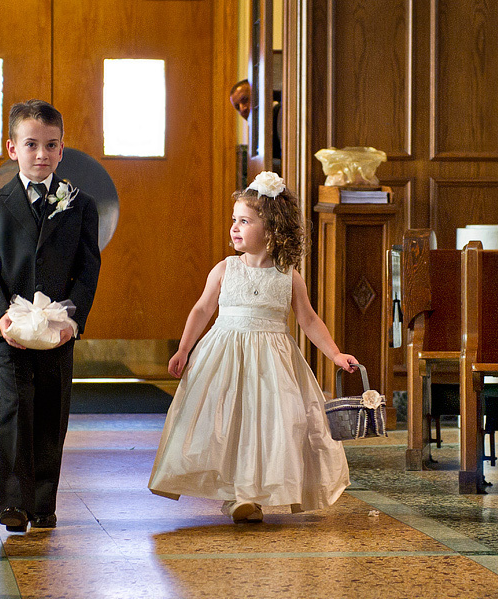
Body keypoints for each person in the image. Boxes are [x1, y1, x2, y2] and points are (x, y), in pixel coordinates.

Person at [148, 171, 357, 523]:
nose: (235, 228)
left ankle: (252, 495)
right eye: (234, 220)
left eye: (244, 221)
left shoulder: (288, 275)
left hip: (272, 364)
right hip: (225, 357)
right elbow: (202, 309)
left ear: (272, 229)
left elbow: (307, 320)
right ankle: (235, 495)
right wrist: (184, 349)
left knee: (272, 426)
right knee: (228, 423)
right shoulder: (225, 270)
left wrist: (334, 353)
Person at [0, 99, 101, 532]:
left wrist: (72, 320)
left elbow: (88, 268)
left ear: (62, 150)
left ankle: (43, 500)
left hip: (56, 330)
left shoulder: (80, 206)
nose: (41, 154)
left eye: (51, 145)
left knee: (51, 409)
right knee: (14, 407)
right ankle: (13, 502)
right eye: (31, 145)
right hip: (9, 330)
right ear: (12, 148)